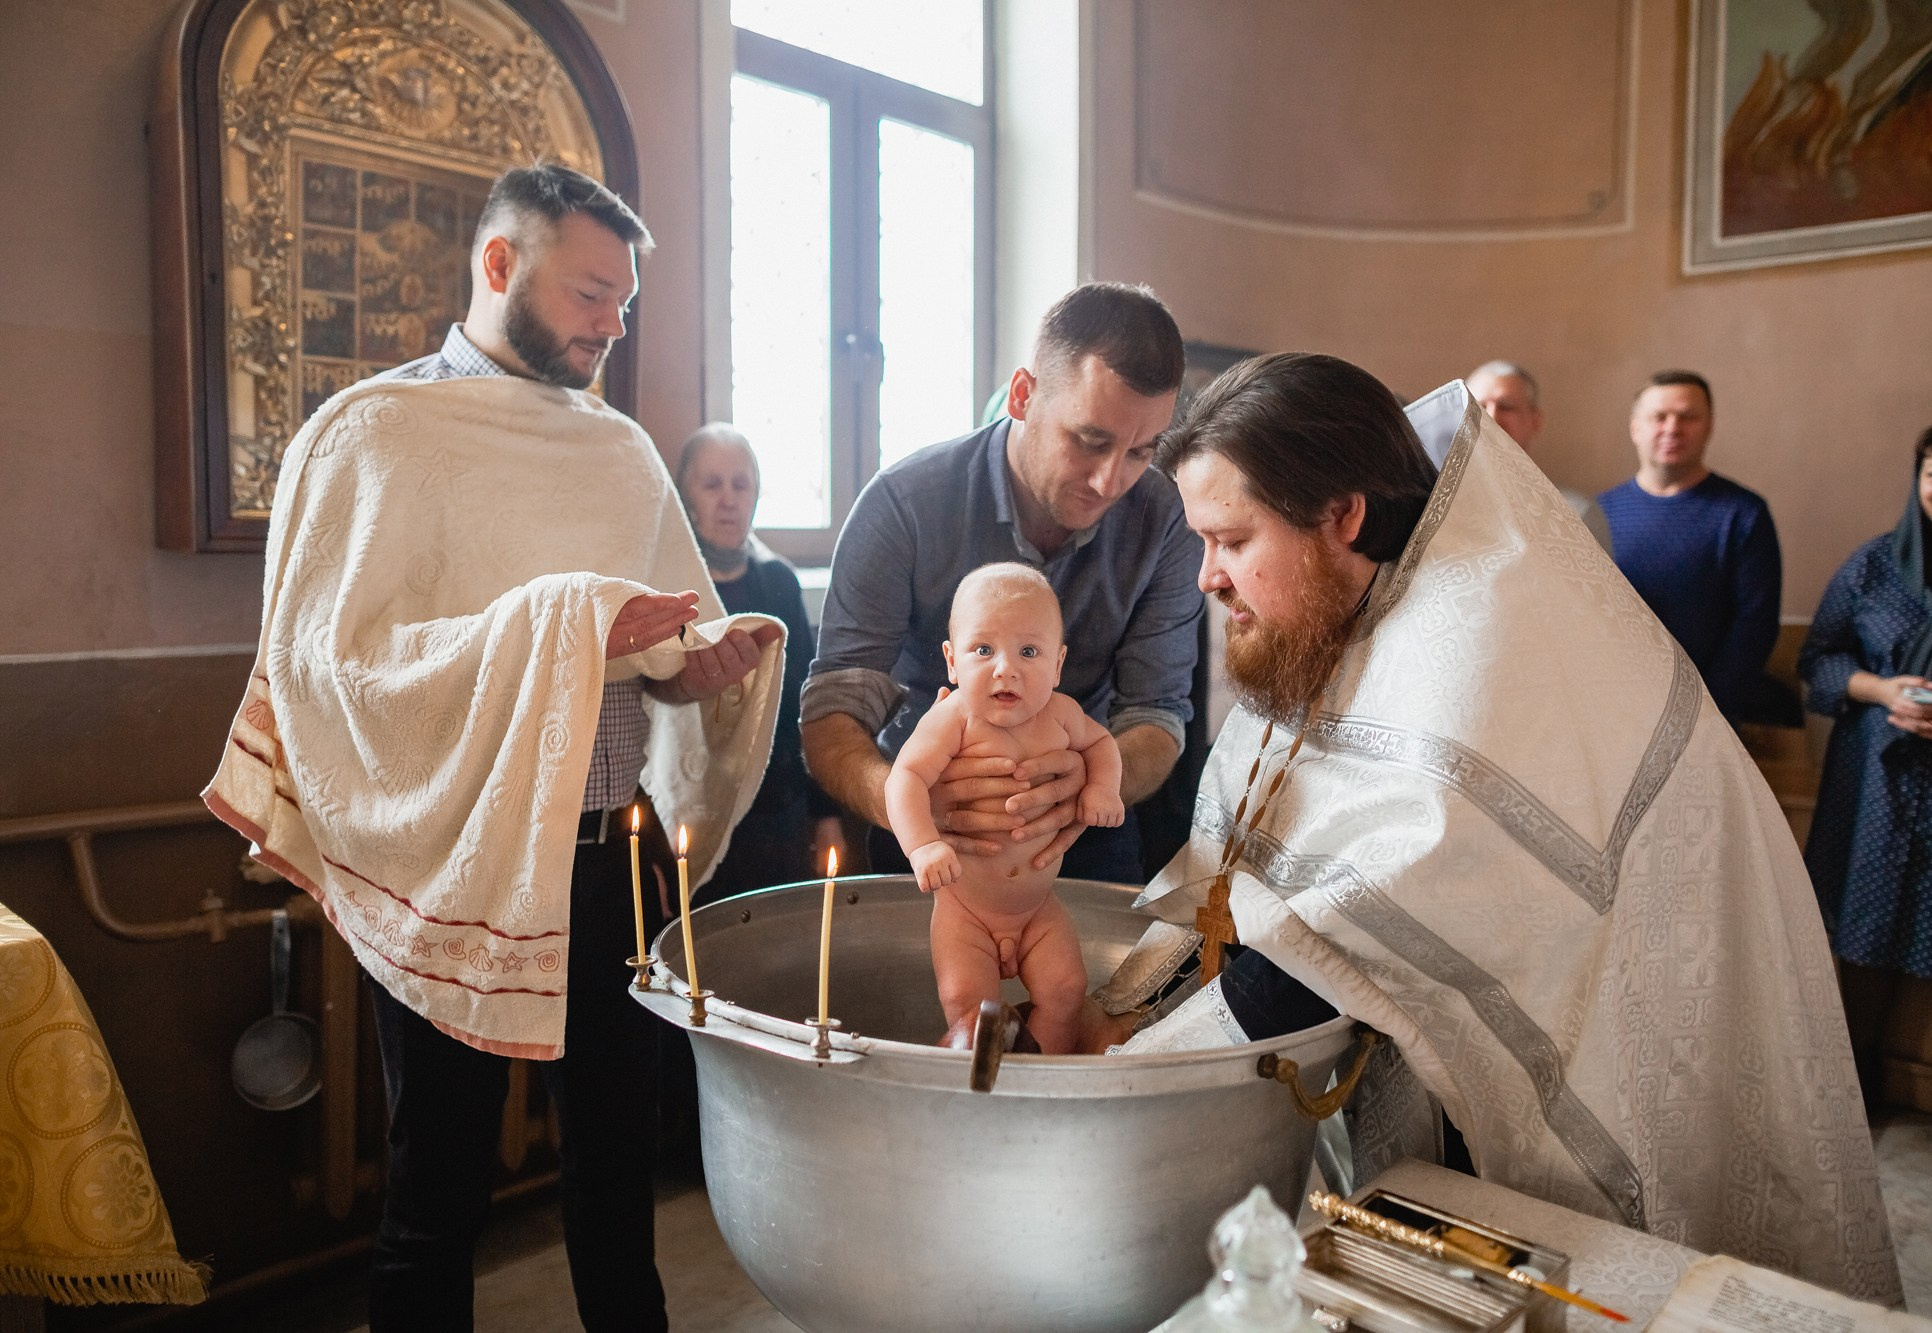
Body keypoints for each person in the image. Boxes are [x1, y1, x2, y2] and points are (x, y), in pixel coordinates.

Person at [1094, 352, 1900, 1301]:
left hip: (1637, 1018)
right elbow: (1254, 873)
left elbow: (1331, 940)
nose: (1206, 580)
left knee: (1619, 1287)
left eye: (1229, 540)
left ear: (1343, 514)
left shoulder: (1479, 630)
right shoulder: (1350, 595)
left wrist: (1110, 1072)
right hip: (1487, 1027)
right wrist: (1117, 1005)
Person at [202, 164, 784, 1332]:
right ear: (499, 264)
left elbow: (663, 642)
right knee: (437, 1187)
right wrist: (560, 619)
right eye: (587, 293)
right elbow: (328, 666)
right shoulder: (372, 434)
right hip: (453, 856)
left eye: (622, 303)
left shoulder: (619, 451)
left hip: (613, 858)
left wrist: (701, 668)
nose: (609, 325)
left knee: (620, 1171)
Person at [802, 282, 1205, 886]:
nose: (1108, 481)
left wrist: (1091, 778)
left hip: (1083, 834)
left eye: (1141, 452)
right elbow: (835, 709)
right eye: (1089, 441)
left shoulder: (1167, 519)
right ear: (1023, 395)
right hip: (926, 833)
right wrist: (908, 799)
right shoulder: (904, 503)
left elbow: (1157, 712)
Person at [1798, 406, 1932, 1168]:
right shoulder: (1875, 564)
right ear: (1918, 479)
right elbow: (1816, 660)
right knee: (1864, 931)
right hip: (1876, 789)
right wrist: (1882, 692)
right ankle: (1859, 1084)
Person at [886, 564, 1123, 1053]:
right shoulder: (951, 719)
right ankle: (984, 1094)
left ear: (1058, 665)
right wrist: (923, 844)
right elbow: (904, 778)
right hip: (964, 912)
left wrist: (1102, 789)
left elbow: (1102, 744)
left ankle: (1045, 1077)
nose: (1005, 669)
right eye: (984, 650)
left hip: (1038, 910)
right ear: (952, 662)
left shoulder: (1063, 715)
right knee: (968, 1005)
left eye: (1028, 652)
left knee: (1066, 991)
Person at [676, 423, 845, 900]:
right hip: (694, 814)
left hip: (777, 811)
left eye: (740, 484)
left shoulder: (778, 583)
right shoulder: (670, 587)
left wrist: (825, 815)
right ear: (686, 497)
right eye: (711, 484)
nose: (727, 499)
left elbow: (804, 704)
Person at [1597, 372, 1789, 725]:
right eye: (1659, 416)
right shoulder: (1600, 513)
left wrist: (1705, 711)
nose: (1672, 428)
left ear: (1709, 426)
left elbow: (1755, 625)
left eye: (1688, 417)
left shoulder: (1743, 513)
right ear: (1635, 427)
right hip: (1614, 712)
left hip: (1710, 717)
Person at [1464, 360, 1611, 552]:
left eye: (1507, 406)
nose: (1492, 417)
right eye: (1479, 407)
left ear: (1535, 421)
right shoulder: (1433, 509)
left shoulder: (1576, 515)